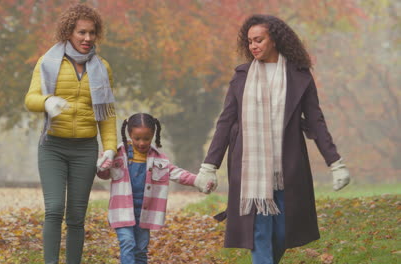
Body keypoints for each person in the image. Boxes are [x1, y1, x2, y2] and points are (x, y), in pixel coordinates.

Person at [196, 14, 351, 264]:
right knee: (259, 231)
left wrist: (336, 163)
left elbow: (315, 121)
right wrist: (209, 166)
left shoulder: (299, 76)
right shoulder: (242, 76)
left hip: (287, 168)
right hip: (250, 170)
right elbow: (225, 122)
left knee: (281, 232)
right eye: (249, 42)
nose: (253, 46)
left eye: (259, 40)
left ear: (275, 40)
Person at [24, 4, 117, 264]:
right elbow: (30, 99)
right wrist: (46, 102)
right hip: (52, 146)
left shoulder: (103, 68)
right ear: (69, 32)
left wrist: (110, 147)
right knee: (54, 209)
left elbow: (107, 113)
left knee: (77, 216)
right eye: (81, 33)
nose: (88, 38)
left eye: (92, 33)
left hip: (85, 149)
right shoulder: (48, 62)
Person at [97, 113, 216, 264]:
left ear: (153, 135)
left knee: (141, 250)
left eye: (146, 139)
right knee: (127, 243)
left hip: (144, 212)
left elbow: (176, 173)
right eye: (137, 138)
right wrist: (103, 165)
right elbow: (105, 175)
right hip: (122, 209)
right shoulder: (118, 154)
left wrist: (198, 181)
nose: (141, 143)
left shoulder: (159, 158)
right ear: (129, 134)